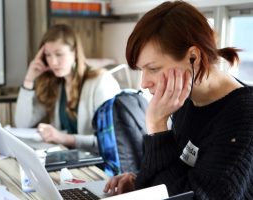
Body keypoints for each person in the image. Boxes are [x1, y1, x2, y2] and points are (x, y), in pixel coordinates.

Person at [104, 1, 253, 199]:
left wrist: (157, 126)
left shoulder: (244, 116)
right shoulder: (185, 101)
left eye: (153, 68)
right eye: (142, 70)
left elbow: (195, 196)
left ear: (193, 57)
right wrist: (138, 181)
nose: (144, 83)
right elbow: (178, 173)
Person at [14, 24, 120, 152]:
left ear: (74, 52)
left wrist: (63, 138)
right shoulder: (56, 84)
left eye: (59, 54)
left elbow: (111, 140)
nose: (52, 62)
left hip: (96, 164)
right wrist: (29, 80)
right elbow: (22, 123)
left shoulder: (101, 82)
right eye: (47, 55)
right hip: (67, 158)